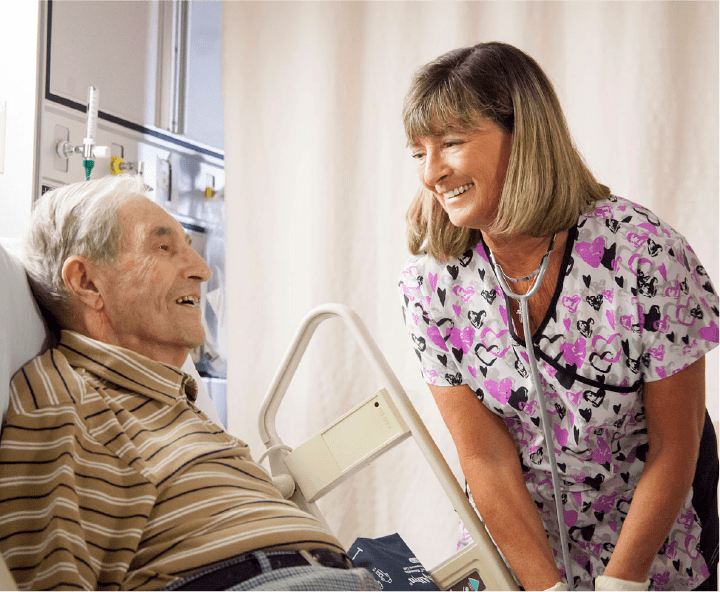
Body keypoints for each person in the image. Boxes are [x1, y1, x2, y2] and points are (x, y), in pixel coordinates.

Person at [398, 41, 720, 592]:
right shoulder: (431, 284)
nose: (432, 173)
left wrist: (622, 584)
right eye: (418, 152)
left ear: (524, 138)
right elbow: (486, 458)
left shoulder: (644, 254)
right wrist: (546, 589)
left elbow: (677, 442)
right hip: (519, 548)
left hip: (649, 549)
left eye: (451, 143)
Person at [0, 174, 381, 592]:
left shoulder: (175, 404)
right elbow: (51, 577)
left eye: (190, 249)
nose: (202, 271)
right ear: (87, 282)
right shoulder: (61, 396)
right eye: (163, 248)